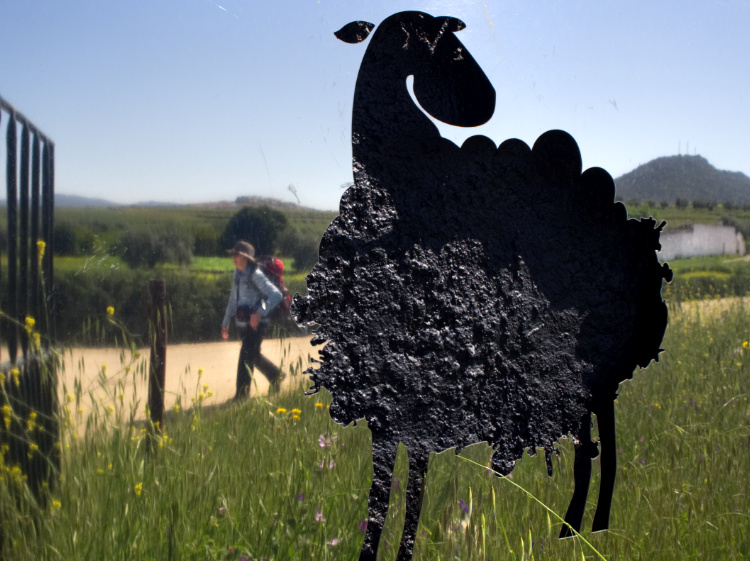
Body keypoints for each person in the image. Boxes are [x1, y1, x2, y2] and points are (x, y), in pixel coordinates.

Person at [221, 240, 283, 400]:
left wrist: (260, 313)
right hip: (243, 323)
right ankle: (275, 375)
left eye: (237, 255)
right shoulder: (237, 273)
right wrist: (226, 321)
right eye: (233, 254)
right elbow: (233, 299)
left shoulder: (255, 274)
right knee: (252, 355)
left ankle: (241, 396)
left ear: (246, 258)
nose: (234, 257)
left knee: (245, 355)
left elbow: (276, 295)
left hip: (257, 325)